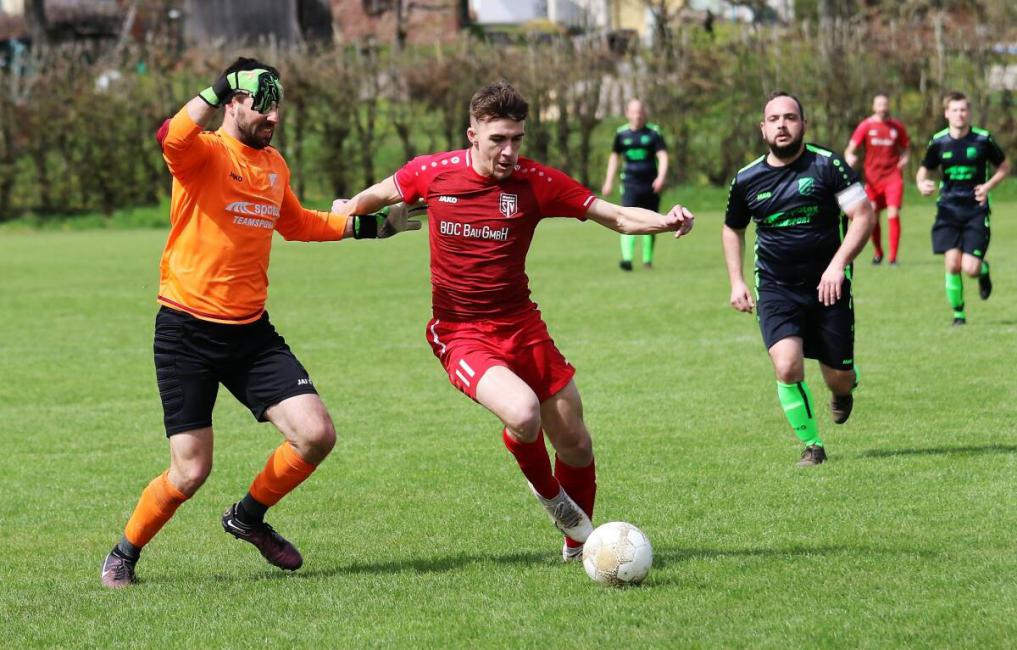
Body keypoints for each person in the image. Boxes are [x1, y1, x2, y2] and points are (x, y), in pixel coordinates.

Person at [333, 81, 694, 560]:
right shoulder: (432, 173)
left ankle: (577, 547)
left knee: (576, 441)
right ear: (473, 135)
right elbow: (373, 197)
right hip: (459, 330)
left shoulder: (536, 182)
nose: (508, 151)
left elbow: (617, 217)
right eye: (497, 139)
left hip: (522, 325)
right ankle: (552, 499)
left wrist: (665, 220)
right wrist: (346, 212)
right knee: (523, 413)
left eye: (516, 139)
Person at [100, 58, 419, 588]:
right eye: (262, 102)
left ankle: (247, 517)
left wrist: (374, 226)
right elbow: (170, 135)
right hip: (186, 332)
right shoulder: (203, 153)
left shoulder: (274, 165)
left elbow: (298, 224)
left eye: (279, 104)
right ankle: (123, 553)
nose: (273, 114)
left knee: (316, 435)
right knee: (190, 471)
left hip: (250, 333)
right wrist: (221, 81)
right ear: (235, 102)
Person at [722, 92, 874, 467]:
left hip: (829, 287)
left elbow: (863, 215)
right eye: (774, 119)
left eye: (790, 118)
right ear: (763, 129)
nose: (782, 125)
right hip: (776, 287)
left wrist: (838, 265)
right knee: (787, 366)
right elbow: (732, 229)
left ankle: (843, 391)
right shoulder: (746, 179)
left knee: (838, 377)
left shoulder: (829, 166)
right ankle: (812, 446)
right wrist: (737, 281)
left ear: (803, 124)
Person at [916, 91, 1009, 326]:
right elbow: (923, 170)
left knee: (970, 268)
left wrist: (987, 186)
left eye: (963, 110)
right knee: (952, 263)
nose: (960, 114)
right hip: (948, 209)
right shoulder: (938, 142)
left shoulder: (982, 139)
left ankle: (983, 271)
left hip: (975, 210)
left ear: (969, 113)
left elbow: (1004, 167)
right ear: (947, 113)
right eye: (955, 110)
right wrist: (921, 184)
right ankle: (959, 314)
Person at [601, 99, 669, 271]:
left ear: (644, 113)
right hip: (630, 183)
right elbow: (614, 157)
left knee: (652, 219)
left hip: (650, 184)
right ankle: (627, 259)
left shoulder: (654, 133)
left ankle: (647, 260)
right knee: (626, 217)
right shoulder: (622, 134)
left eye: (640, 112)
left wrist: (661, 177)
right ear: (627, 113)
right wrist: (608, 181)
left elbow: (663, 156)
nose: (637, 115)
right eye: (634, 112)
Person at [844, 93, 911, 265]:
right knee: (872, 216)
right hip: (872, 179)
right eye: (879, 104)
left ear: (888, 106)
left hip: (893, 177)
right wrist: (850, 157)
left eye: (885, 104)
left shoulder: (897, 127)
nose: (882, 107)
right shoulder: (866, 126)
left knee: (893, 212)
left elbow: (906, 149)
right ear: (874, 107)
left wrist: (904, 158)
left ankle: (893, 257)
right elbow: (850, 149)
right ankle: (878, 252)